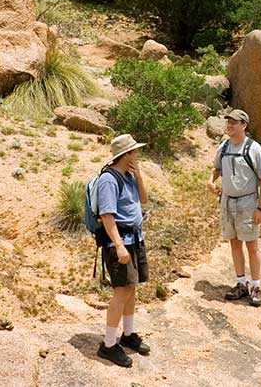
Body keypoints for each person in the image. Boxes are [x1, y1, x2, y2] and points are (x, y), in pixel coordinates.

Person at [96, 134, 150, 368]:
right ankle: (108, 345)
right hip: (120, 242)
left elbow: (144, 199)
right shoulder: (109, 180)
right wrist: (118, 246)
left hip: (135, 239)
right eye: (134, 152)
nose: (138, 155)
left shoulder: (128, 176)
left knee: (131, 288)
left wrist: (138, 174)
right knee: (121, 291)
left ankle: (127, 334)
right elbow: (107, 216)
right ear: (125, 155)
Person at [206, 109, 261, 307]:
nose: (230, 125)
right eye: (228, 122)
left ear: (244, 125)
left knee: (251, 245)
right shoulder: (224, 146)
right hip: (227, 202)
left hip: (248, 203)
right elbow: (216, 168)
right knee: (234, 243)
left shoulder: (254, 148)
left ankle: (256, 286)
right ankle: (241, 283)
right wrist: (211, 181)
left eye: (234, 122)